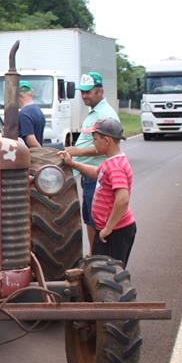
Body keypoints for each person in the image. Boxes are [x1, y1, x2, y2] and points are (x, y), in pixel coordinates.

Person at [60, 118, 137, 266]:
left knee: (111, 275)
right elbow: (97, 173)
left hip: (115, 231)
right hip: (107, 230)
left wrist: (108, 229)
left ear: (107, 140)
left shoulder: (116, 166)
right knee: (99, 270)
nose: (93, 143)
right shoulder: (110, 161)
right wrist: (72, 163)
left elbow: (123, 199)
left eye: (95, 139)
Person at [61, 72, 120, 248]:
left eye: (89, 92)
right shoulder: (93, 113)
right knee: (89, 218)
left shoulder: (105, 115)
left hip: (99, 177)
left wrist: (76, 152)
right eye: (82, 92)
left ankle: (102, 259)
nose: (84, 96)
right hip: (88, 176)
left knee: (99, 220)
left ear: (100, 91)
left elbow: (104, 147)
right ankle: (94, 256)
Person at [17, 80, 45, 147]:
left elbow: (31, 140)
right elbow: (41, 137)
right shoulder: (38, 110)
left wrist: (41, 153)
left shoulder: (23, 114)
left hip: (30, 155)